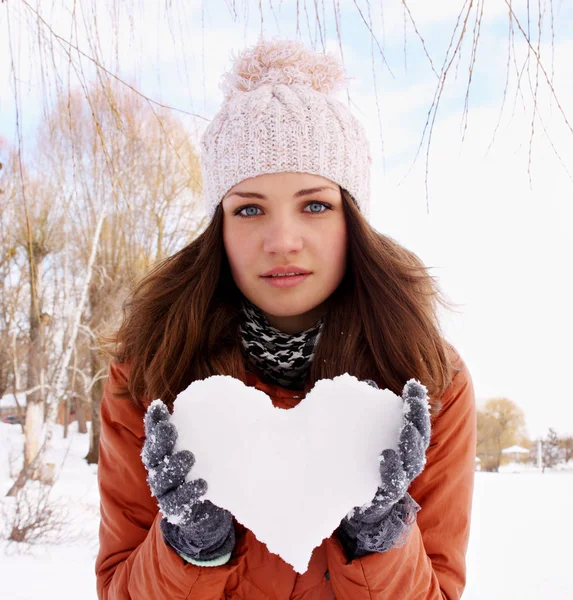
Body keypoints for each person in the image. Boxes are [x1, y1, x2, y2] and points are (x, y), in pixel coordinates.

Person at [95, 38, 476, 599]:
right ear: (218, 227)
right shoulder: (149, 375)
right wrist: (195, 548)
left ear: (353, 221)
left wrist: (378, 542)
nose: (282, 241)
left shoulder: (428, 379)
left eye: (315, 205)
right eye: (249, 208)